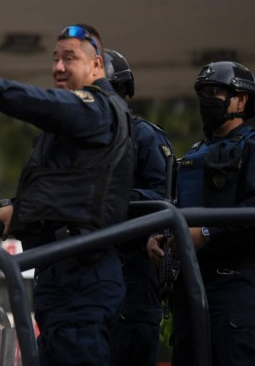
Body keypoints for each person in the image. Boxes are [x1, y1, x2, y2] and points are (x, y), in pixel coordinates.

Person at [0, 24, 134, 366]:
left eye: (69, 58)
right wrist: (20, 208)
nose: (58, 67)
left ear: (96, 66)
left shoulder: (97, 109)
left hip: (82, 276)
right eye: (55, 59)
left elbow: (45, 104)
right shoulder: (73, 124)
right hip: (61, 273)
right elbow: (64, 187)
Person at [147, 61, 255, 365]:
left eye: (215, 91)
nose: (207, 99)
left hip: (235, 291)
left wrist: (206, 234)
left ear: (242, 99)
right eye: (202, 92)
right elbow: (175, 209)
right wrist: (160, 236)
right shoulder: (192, 156)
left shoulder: (251, 148)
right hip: (189, 293)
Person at [104, 49, 172, 366]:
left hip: (132, 272)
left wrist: (118, 198)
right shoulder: (72, 144)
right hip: (83, 274)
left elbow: (166, 197)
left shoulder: (143, 137)